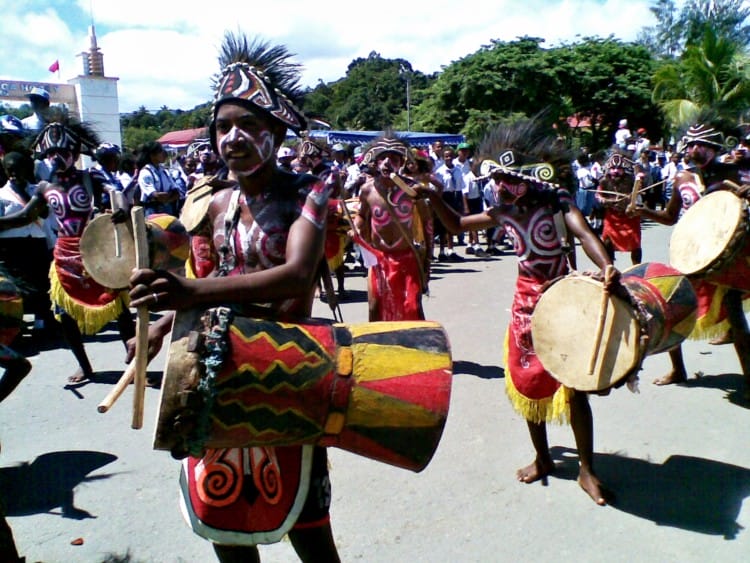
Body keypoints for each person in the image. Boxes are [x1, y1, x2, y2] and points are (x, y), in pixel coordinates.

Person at [128, 32, 340, 562]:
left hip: (289, 370)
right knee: (225, 521)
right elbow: (219, 275)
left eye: (249, 125)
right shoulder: (215, 201)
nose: (233, 137)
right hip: (219, 376)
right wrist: (160, 326)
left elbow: (295, 277)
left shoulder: (308, 194)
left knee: (308, 526)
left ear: (275, 134)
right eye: (223, 126)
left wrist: (189, 291)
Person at [416, 117, 617, 505]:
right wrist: (431, 197)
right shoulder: (503, 212)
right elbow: (456, 225)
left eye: (504, 182)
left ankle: (587, 470)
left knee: (575, 390)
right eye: (496, 183)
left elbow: (586, 234)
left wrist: (606, 264)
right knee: (528, 383)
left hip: (563, 300)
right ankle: (543, 458)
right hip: (525, 306)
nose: (497, 190)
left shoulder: (557, 201)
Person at [636, 121, 750, 397]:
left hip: (725, 253)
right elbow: (670, 217)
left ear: (714, 148)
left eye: (701, 145)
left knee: (735, 314)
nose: (694, 149)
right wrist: (642, 211)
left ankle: (749, 379)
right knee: (673, 307)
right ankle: (678, 369)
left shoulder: (732, 173)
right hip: (692, 254)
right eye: (690, 144)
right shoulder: (682, 178)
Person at [30, 120, 135, 383]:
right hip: (63, 255)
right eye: (51, 154)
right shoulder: (44, 186)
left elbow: (117, 193)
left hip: (95, 253)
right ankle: (85, 367)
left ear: (76, 154)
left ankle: (135, 365)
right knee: (65, 317)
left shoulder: (90, 177)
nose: (56, 158)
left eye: (63, 153)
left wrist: (121, 207)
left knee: (119, 310)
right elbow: (26, 213)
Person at [353, 134, 433, 321]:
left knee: (412, 307)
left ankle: (417, 346)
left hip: (406, 258)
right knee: (374, 307)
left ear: (402, 163)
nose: (388, 163)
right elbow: (361, 215)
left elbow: (428, 223)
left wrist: (427, 261)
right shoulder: (367, 189)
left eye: (394, 159)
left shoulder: (413, 190)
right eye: (383, 158)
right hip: (378, 260)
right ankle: (376, 346)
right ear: (375, 161)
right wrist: (357, 226)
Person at [596, 151, 643, 265]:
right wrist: (607, 201)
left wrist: (631, 200)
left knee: (635, 243)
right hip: (612, 218)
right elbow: (598, 195)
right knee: (607, 241)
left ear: (624, 169)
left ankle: (636, 267)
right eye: (612, 168)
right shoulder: (604, 181)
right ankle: (609, 266)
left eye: (619, 168)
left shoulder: (631, 181)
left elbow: (638, 194)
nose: (615, 171)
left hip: (629, 217)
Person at [433, 147, 465, 262]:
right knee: (442, 226)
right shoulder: (440, 172)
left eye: (451, 156)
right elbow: (438, 188)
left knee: (452, 225)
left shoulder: (457, 170)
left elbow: (460, 187)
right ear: (443, 157)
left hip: (454, 197)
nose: (449, 158)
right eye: (446, 156)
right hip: (444, 197)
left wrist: (461, 204)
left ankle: (451, 250)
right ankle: (441, 252)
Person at [136, 141, 181, 217]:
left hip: (168, 211)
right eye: (160, 151)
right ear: (152, 155)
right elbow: (156, 196)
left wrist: (167, 199)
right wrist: (169, 195)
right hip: (153, 212)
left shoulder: (165, 172)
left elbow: (177, 193)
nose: (164, 154)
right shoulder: (145, 172)